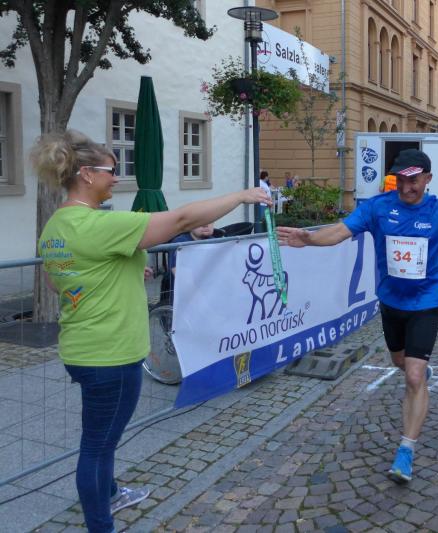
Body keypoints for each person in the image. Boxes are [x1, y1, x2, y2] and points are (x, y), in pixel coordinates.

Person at [32, 130, 270, 533]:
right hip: (111, 354)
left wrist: (123, 271)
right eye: (111, 171)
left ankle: (109, 494)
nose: (117, 178)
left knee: (101, 437)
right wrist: (241, 196)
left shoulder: (56, 225)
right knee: (98, 446)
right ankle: (101, 525)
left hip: (81, 348)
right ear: (86, 174)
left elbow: (61, 283)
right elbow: (181, 220)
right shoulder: (98, 224)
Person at [277, 149, 438, 484]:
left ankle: (406, 450)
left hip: (426, 303)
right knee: (400, 361)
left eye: (414, 180)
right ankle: (416, 370)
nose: (407, 187)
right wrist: (309, 239)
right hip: (391, 302)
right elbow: (340, 232)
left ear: (427, 179)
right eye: (401, 179)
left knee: (413, 375)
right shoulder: (378, 207)